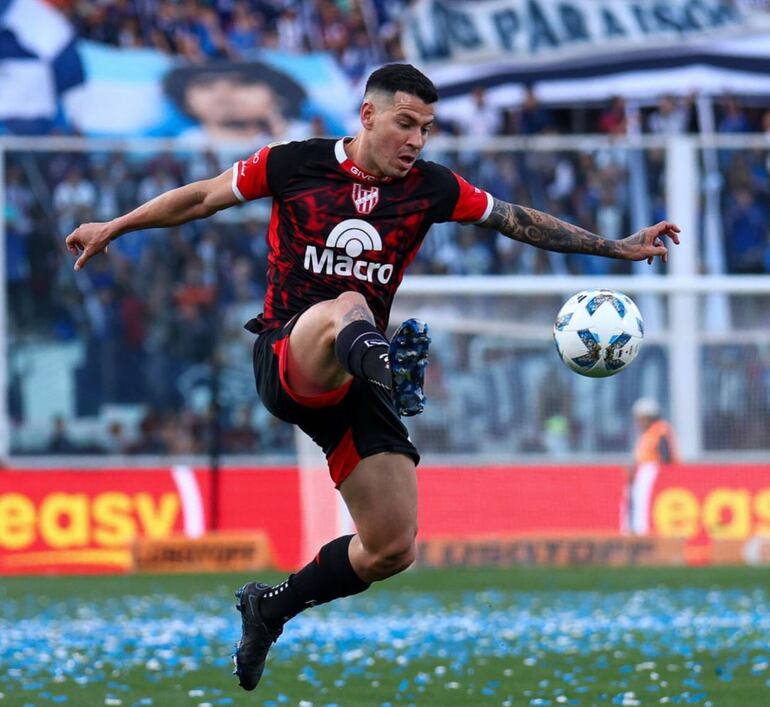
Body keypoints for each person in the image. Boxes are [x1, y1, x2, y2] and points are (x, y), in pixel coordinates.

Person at [64, 63, 680, 691]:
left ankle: (269, 608)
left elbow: (513, 219)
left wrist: (617, 248)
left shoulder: (432, 188)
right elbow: (200, 197)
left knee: (392, 547)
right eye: (406, 123)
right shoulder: (292, 163)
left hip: (358, 376)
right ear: (368, 115)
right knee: (348, 308)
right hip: (291, 353)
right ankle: (390, 373)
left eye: (427, 129)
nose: (417, 139)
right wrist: (114, 226)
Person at [626, 397, 680, 535]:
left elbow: (665, 455)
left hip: (653, 472)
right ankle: (637, 530)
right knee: (637, 504)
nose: (639, 422)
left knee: (644, 504)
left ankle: (643, 533)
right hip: (644, 472)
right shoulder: (646, 434)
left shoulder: (660, 429)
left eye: (642, 418)